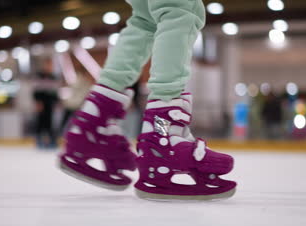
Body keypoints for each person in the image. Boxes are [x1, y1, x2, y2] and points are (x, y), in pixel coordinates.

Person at [58, 0, 236, 201]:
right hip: (161, 129)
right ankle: (164, 134)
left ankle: (94, 122)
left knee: (146, 20)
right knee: (179, 9)